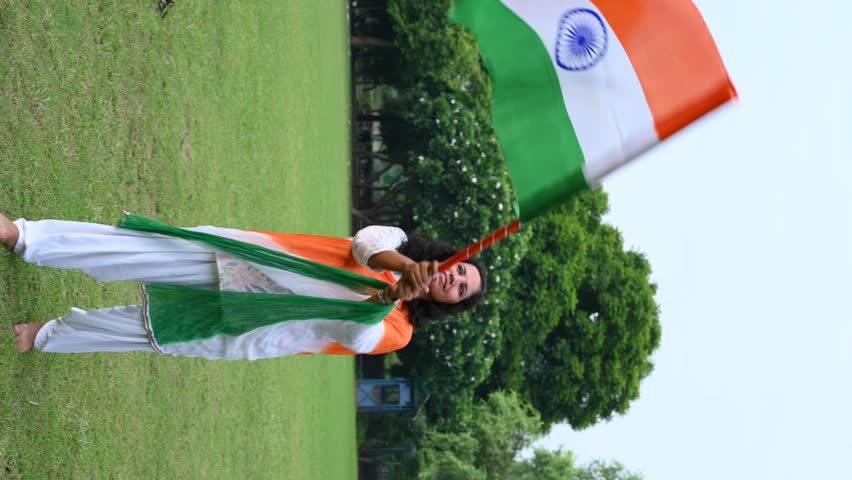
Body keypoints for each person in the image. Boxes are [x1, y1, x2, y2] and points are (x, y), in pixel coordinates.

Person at [2, 213, 486, 360]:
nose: (454, 279)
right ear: (446, 258)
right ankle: (24, 236)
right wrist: (402, 268)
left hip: (258, 321)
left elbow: (355, 334)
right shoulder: (396, 246)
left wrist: (389, 299)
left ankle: (47, 333)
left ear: (449, 305)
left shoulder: (400, 330)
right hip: (253, 261)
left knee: (150, 330)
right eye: (459, 270)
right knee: (139, 250)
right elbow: (365, 244)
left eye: (460, 289)